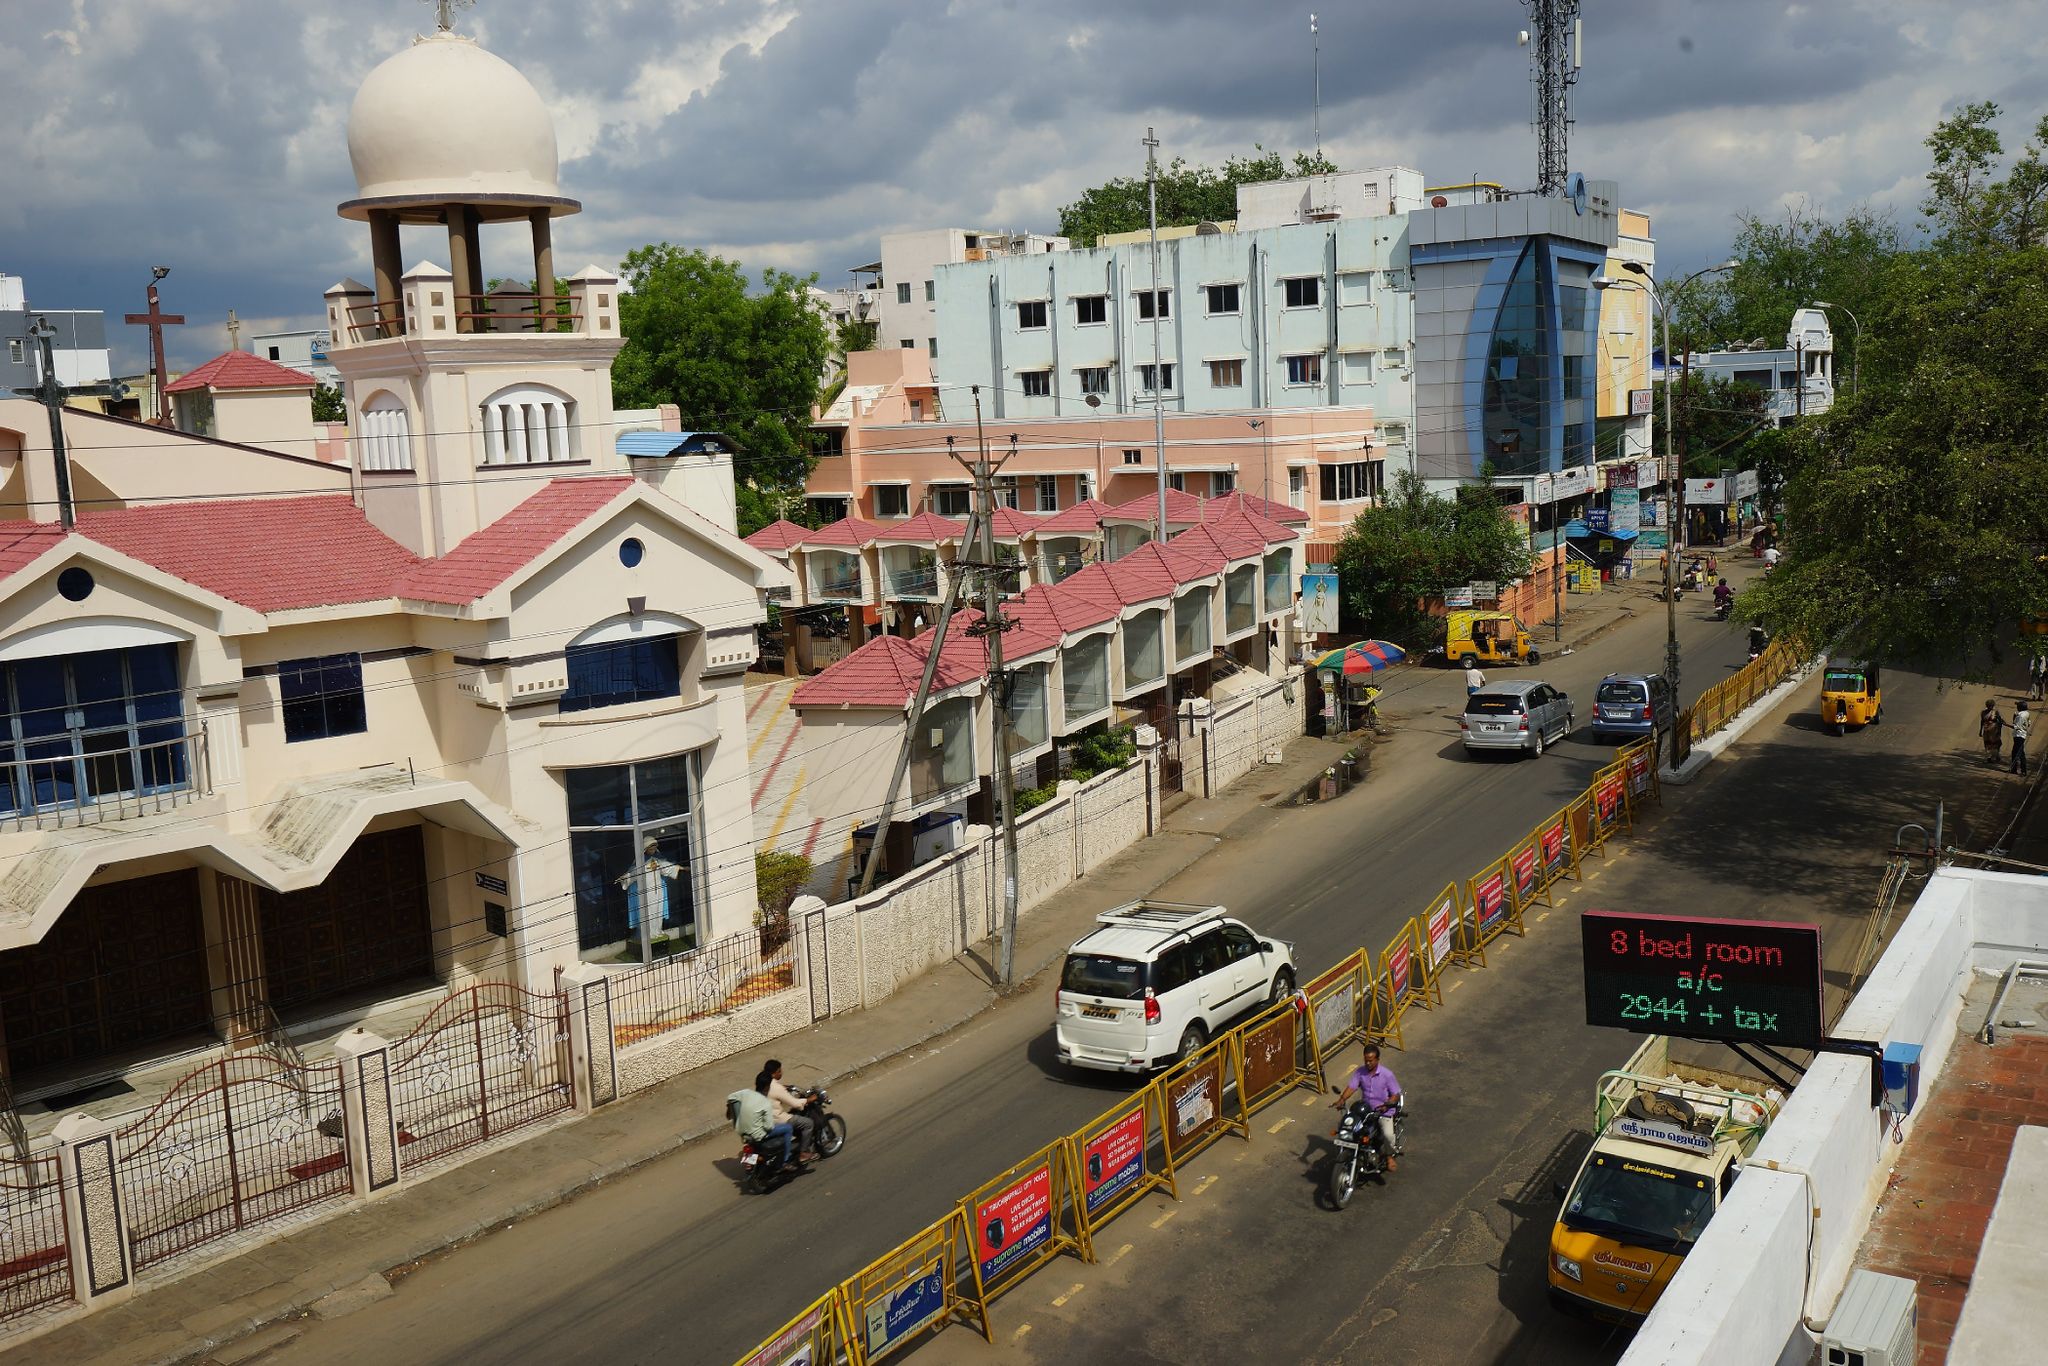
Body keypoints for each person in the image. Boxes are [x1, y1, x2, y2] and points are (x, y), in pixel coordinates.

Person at [1334, 1042, 1404, 1172]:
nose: (1368, 1063)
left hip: (1383, 1111)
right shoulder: (1360, 1072)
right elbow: (1352, 1087)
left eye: (1371, 1061)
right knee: (1349, 1127)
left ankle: (1389, 1158)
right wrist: (1341, 1099)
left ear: (1377, 1059)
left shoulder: (1387, 1074)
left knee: (1387, 1134)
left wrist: (1387, 1104)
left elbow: (1396, 1094)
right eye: (1366, 1060)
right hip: (1365, 1110)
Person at [729, 1073, 794, 1168]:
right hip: (758, 1134)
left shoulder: (746, 1094)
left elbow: (731, 1097)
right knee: (788, 1128)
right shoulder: (764, 1103)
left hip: (743, 1133)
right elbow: (768, 1127)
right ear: (767, 1087)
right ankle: (785, 1160)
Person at [761, 1058, 815, 1160]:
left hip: (765, 1118)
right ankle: (803, 1153)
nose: (781, 1073)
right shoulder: (777, 1088)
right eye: (779, 1071)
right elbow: (795, 1104)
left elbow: (771, 1091)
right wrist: (808, 1100)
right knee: (808, 1123)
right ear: (774, 1073)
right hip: (778, 1119)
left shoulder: (762, 1081)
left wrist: (783, 1087)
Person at [1981, 700, 2006, 767]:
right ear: (1987, 706)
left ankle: (1995, 757)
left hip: (1994, 731)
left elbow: (2000, 720)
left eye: (1991, 706)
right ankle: (1988, 758)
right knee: (1987, 744)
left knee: (1996, 744)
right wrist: (1981, 731)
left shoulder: (1995, 712)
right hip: (1986, 731)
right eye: (1989, 706)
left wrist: (2001, 726)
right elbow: (1982, 721)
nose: (1990, 707)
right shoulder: (1983, 712)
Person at [2012, 699, 2033, 776]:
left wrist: (2004, 724)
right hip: (2022, 735)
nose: (2017, 707)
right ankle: (2013, 769)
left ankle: (2023, 771)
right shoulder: (2026, 713)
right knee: (2014, 752)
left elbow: (2016, 726)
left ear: (2020, 708)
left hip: (2019, 735)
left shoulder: (2020, 716)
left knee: (2020, 753)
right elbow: (2028, 723)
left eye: (2017, 706)